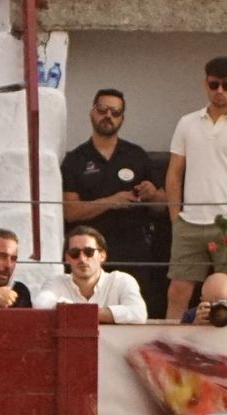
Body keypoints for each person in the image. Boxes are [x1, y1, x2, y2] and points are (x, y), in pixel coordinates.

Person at [164, 56, 227, 318]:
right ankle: (169, 347)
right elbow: (174, 174)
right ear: (205, 84)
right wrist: (175, 217)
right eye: (214, 84)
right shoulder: (186, 122)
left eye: (226, 85)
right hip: (190, 220)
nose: (219, 91)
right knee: (178, 291)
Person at [60, 88, 166, 318]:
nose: (108, 116)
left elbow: (163, 205)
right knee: (90, 312)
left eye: (115, 112)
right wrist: (111, 201)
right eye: (103, 109)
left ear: (122, 118)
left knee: (135, 312)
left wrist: (152, 194)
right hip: (89, 253)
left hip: (135, 251)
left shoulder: (137, 155)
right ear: (91, 113)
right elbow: (70, 212)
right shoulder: (75, 160)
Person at [31, 225, 148, 323]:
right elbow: (40, 303)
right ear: (67, 258)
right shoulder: (56, 282)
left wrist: (79, 313)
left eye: (89, 252)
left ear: (102, 255)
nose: (82, 259)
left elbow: (138, 313)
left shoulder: (121, 280)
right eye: (74, 253)